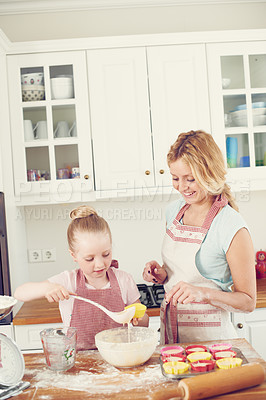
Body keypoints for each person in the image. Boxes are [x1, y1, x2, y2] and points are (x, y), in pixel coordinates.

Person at [143, 130, 256, 344]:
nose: (182, 187)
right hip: (172, 339)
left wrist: (203, 293)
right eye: (175, 178)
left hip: (213, 344)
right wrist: (161, 274)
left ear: (209, 173)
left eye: (190, 179)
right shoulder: (173, 212)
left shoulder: (231, 225)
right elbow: (179, 274)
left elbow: (248, 302)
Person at [15, 205, 149, 350]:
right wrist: (49, 288)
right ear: (74, 255)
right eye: (89, 258)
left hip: (120, 358)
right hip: (79, 363)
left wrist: (139, 319)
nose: (99, 264)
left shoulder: (124, 280)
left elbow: (145, 321)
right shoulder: (68, 281)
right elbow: (20, 293)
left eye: (106, 255)